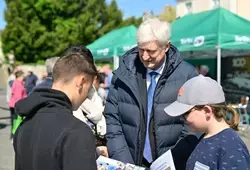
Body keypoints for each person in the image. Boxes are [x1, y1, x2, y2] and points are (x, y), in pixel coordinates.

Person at [105, 14, 199, 169]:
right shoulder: (123, 74)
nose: (144, 56)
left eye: (151, 51)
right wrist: (124, 162)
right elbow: (112, 119)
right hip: (130, 162)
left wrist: (173, 159)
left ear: (166, 46)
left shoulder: (187, 74)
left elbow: (194, 123)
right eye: (140, 49)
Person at [13, 49, 98, 170]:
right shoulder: (77, 131)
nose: (86, 96)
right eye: (89, 88)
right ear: (81, 82)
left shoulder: (24, 125)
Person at [164, 75, 250, 169]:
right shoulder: (203, 137)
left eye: (186, 113)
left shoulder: (231, 148)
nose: (182, 118)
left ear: (207, 111)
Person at [8, 70, 27, 138]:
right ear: (19, 76)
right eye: (23, 76)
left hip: (12, 104)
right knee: (17, 121)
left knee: (14, 120)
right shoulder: (19, 84)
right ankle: (15, 135)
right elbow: (18, 97)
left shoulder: (15, 82)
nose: (23, 77)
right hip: (17, 105)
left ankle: (12, 134)